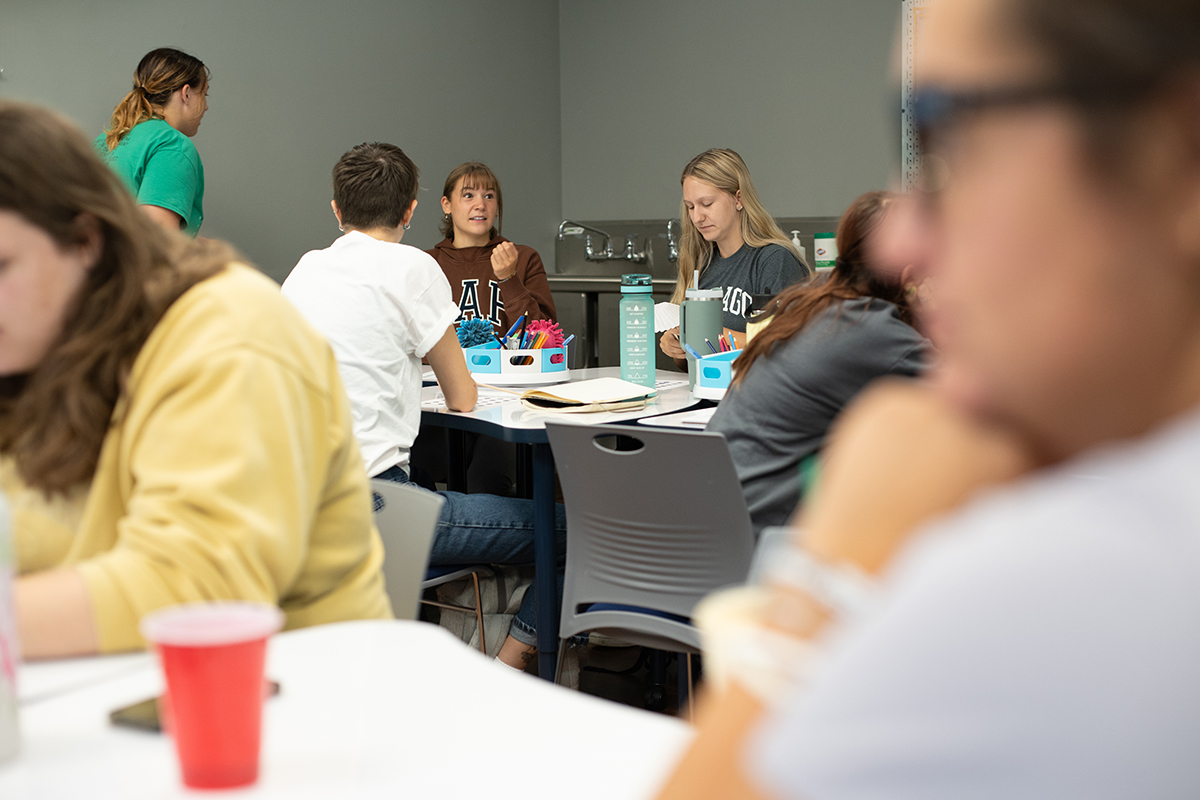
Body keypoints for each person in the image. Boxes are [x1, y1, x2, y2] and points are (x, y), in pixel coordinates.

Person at [657, 0, 1200, 797]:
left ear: (1174, 154)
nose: (910, 240)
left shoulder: (1113, 566)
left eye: (957, 138)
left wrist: (838, 564)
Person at [0, 101, 392, 661]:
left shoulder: (228, 330)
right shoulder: (34, 347)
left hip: (298, 701)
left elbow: (200, 587)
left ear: (85, 242)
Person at [281, 144, 568, 671]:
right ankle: (507, 665)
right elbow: (462, 397)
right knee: (572, 528)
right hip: (376, 508)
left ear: (337, 211)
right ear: (413, 210)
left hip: (296, 508)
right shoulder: (414, 267)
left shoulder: (305, 270)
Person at [706, 190, 930, 537]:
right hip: (757, 539)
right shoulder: (868, 327)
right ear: (911, 276)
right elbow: (984, 402)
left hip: (709, 518)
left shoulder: (814, 299)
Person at [659, 148, 808, 365]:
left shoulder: (775, 261)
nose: (697, 217)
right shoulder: (703, 265)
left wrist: (707, 334)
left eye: (707, 204)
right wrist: (677, 346)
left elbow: (785, 345)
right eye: (690, 207)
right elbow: (694, 364)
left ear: (738, 199)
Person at [428, 162, 556, 333]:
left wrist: (509, 279)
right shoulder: (428, 263)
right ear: (447, 205)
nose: (480, 205)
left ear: (496, 208)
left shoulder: (525, 258)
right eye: (468, 195)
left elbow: (543, 337)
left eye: (488, 196)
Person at [95, 48, 209, 236]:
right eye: (204, 94)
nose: (206, 106)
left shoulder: (105, 139)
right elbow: (158, 239)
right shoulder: (173, 146)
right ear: (186, 93)